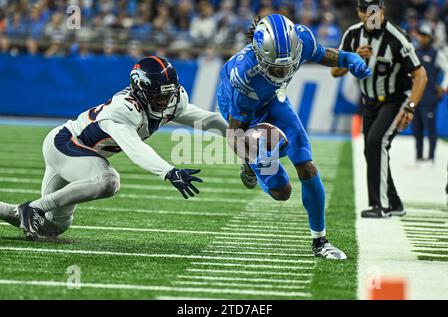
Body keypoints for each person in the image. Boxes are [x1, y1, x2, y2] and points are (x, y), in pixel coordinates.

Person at [0, 56, 228, 240]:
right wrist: (168, 171)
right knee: (108, 181)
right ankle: (34, 207)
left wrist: (238, 133)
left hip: (83, 154)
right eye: (158, 95)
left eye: (169, 94)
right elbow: (136, 149)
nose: (165, 101)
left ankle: (20, 209)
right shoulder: (123, 110)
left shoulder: (173, 100)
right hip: (66, 145)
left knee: (52, 227)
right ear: (140, 91)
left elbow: (206, 119)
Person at [217, 13, 372, 260]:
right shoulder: (243, 77)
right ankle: (250, 164)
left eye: (288, 64)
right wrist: (253, 154)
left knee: (307, 166)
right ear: (259, 54)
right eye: (277, 66)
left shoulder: (301, 38)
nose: (284, 70)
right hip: (247, 114)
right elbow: (235, 135)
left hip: (275, 100)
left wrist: (347, 58)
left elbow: (325, 55)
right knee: (283, 192)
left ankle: (320, 241)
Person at [332, 0, 428, 218]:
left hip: (395, 100)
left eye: (374, 10)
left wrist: (410, 107)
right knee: (372, 149)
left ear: (382, 11)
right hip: (369, 102)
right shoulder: (352, 35)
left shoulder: (396, 37)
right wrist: (352, 58)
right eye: (365, 10)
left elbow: (420, 74)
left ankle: (380, 205)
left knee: (376, 142)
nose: (369, 15)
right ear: (358, 12)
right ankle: (394, 203)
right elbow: (335, 72)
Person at [413, 24, 448, 163]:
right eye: (421, 35)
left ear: (430, 38)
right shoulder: (415, 53)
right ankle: (418, 156)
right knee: (417, 129)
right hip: (416, 97)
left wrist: (443, 86)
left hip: (429, 98)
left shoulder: (436, 54)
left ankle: (431, 157)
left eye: (425, 36)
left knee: (430, 129)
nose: (422, 38)